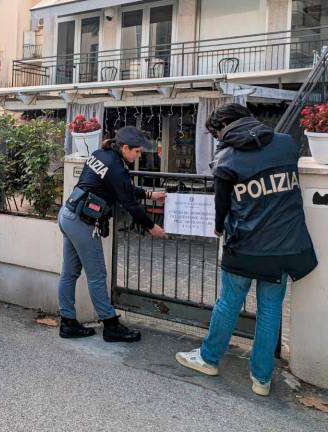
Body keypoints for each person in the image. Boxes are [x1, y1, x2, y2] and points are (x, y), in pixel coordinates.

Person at [175, 103, 318, 396]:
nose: (217, 140)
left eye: (215, 134)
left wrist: (219, 229)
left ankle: (208, 358)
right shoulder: (286, 144)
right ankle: (261, 379)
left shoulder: (227, 157)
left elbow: (222, 206)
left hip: (245, 245)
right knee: (270, 308)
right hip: (284, 245)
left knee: (228, 302)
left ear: (222, 127)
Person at [58, 126, 166, 343]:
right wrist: (151, 226)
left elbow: (121, 188)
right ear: (125, 148)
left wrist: (148, 193)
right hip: (82, 223)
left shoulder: (101, 155)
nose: (139, 155)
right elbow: (129, 202)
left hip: (68, 215)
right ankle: (110, 325)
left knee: (69, 273)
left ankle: (67, 322)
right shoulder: (115, 166)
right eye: (137, 152)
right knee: (97, 275)